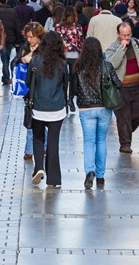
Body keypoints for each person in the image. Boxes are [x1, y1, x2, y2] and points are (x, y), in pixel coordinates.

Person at [72, 37, 122, 189]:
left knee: (88, 142)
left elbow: (73, 89)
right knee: (101, 141)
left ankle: (89, 171)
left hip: (86, 108)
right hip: (104, 107)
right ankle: (100, 175)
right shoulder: (106, 65)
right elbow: (118, 84)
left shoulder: (78, 67)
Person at [25, 31, 68, 187]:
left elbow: (27, 82)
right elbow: (65, 85)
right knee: (53, 141)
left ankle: (39, 168)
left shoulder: (35, 61)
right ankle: (54, 179)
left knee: (38, 138)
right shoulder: (62, 64)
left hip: (38, 106)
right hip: (57, 108)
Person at [105, 22, 139, 154]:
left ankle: (126, 132)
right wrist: (122, 49)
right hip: (121, 89)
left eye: (129, 35)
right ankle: (125, 144)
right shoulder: (113, 47)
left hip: (137, 87)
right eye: (124, 35)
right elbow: (112, 64)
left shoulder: (137, 44)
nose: (127, 38)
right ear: (118, 35)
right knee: (123, 117)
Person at [11, 22, 46, 161]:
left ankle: (37, 148)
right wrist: (21, 61)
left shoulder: (44, 50)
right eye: (27, 37)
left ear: (38, 36)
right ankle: (31, 149)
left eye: (32, 37)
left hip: (41, 89)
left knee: (40, 120)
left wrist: (32, 61)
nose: (29, 40)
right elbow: (13, 63)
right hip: (28, 90)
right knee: (31, 119)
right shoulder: (24, 48)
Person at [55, 5, 84, 112]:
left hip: (62, 55)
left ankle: (63, 99)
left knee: (62, 78)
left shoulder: (58, 27)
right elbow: (81, 42)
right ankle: (71, 99)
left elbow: (56, 41)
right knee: (73, 79)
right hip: (74, 55)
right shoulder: (77, 27)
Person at [0, 0, 20, 86]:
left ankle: (5, 77)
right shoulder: (12, 11)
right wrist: (17, 39)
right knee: (6, 57)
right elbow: (17, 25)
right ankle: (6, 76)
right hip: (10, 38)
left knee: (4, 57)